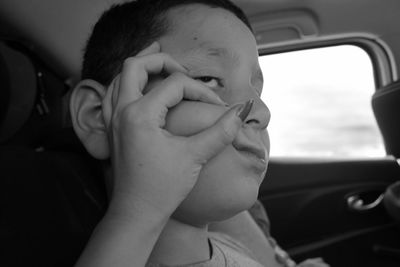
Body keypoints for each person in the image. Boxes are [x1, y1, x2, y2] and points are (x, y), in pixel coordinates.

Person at [69, 0, 329, 266]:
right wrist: (139, 210)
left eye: (257, 92)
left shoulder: (230, 245)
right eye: (207, 79)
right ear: (97, 117)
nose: (261, 112)